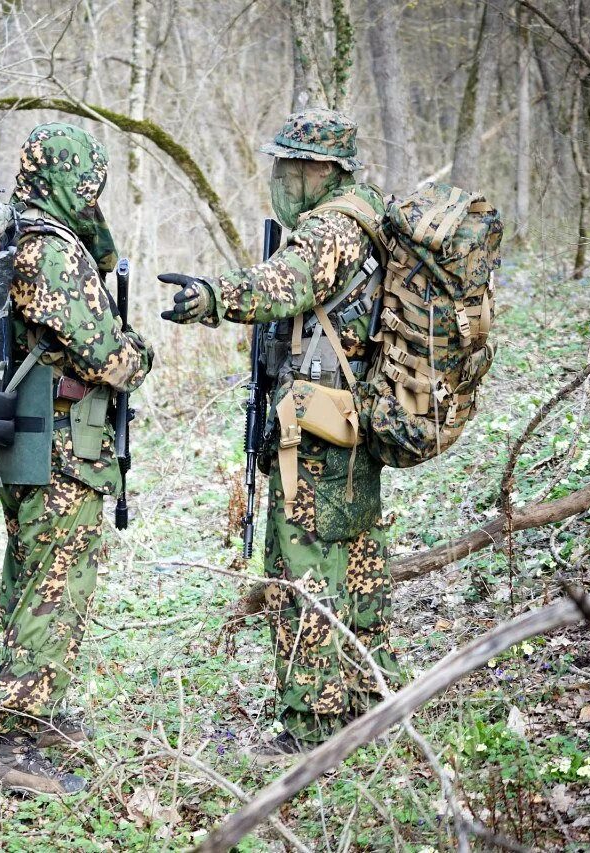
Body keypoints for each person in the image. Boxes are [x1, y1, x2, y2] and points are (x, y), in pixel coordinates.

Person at [160, 109, 402, 762]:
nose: (281, 178)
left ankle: (312, 725)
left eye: (290, 166)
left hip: (320, 428)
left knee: (304, 569)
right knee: (354, 556)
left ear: (320, 170)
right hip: (352, 418)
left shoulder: (329, 229)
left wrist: (212, 297)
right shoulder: (368, 215)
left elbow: (280, 285)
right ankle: (365, 698)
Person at [0, 123, 154, 794]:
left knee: (31, 571)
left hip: (31, 438)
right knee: (54, 584)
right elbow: (109, 356)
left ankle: (34, 705)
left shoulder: (17, 233)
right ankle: (14, 742)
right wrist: (140, 351)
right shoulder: (50, 252)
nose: (93, 194)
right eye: (88, 183)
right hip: (59, 446)